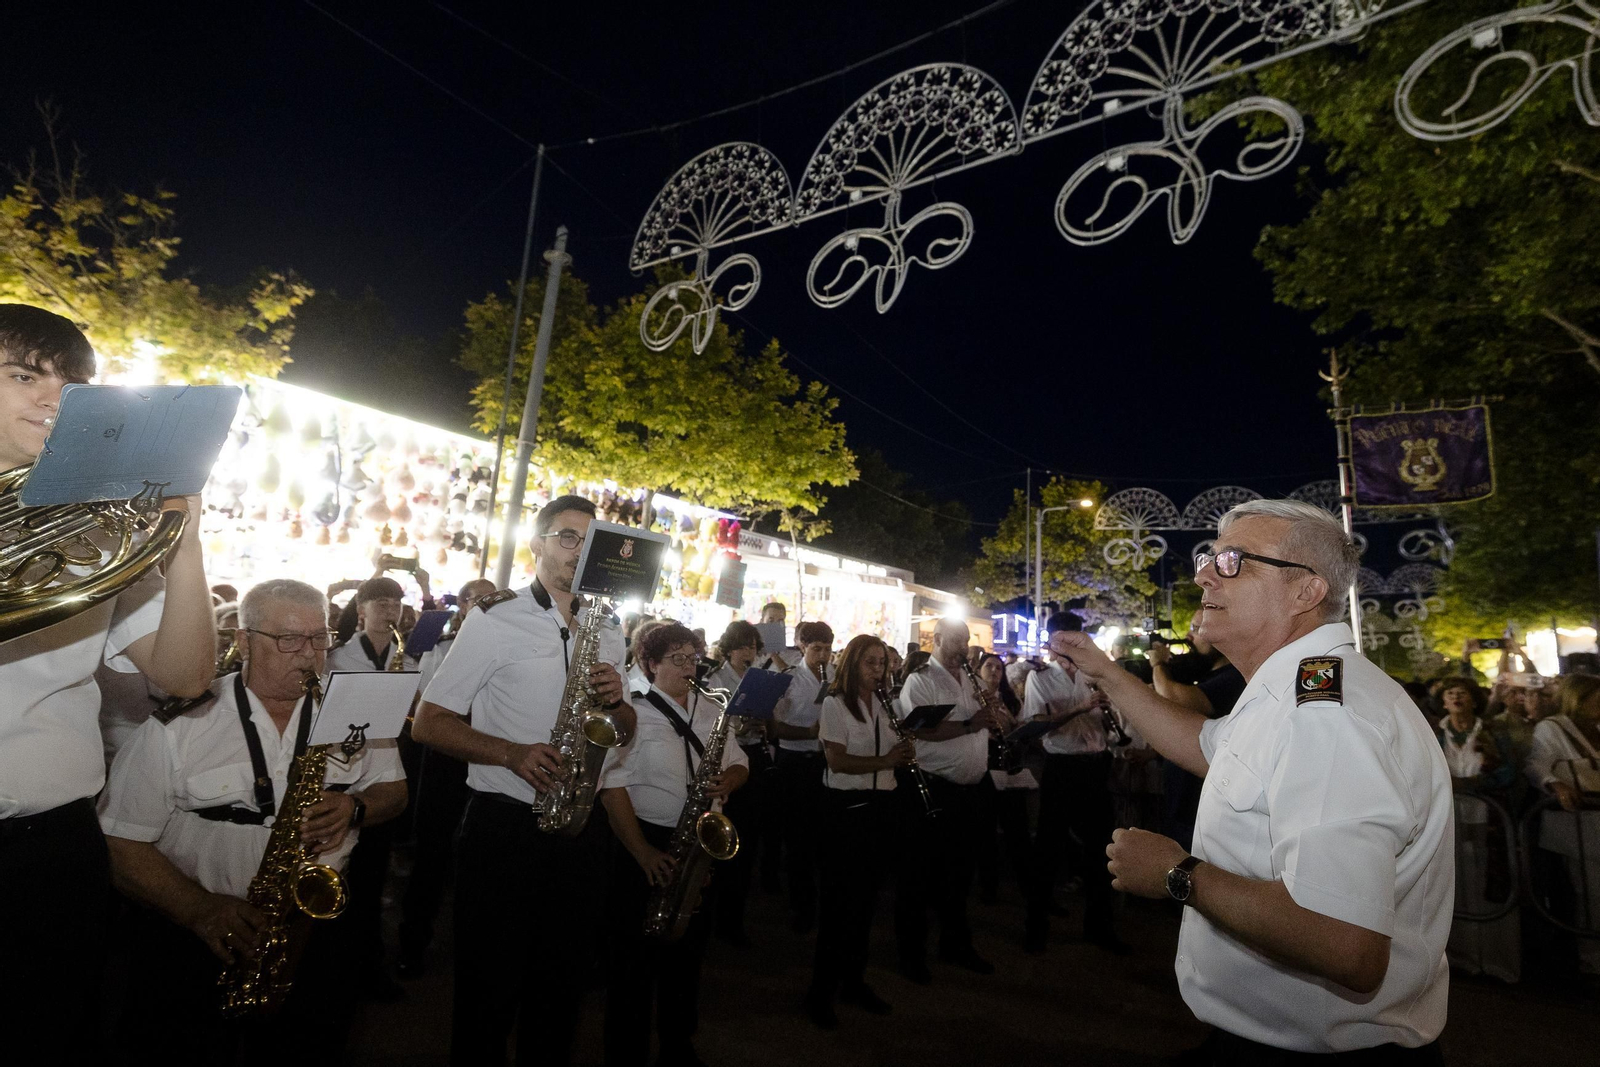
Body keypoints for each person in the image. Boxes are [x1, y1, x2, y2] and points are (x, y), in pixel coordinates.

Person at [1052, 499, 1453, 1061]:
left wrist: (1175, 872)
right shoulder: (1294, 687)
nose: (1203, 574)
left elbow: (1346, 945)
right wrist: (1108, 676)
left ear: (1305, 592)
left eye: (1234, 560)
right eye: (1210, 557)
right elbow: (1207, 747)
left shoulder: (1327, 715)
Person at [0, 305, 216, 1055]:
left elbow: (186, 674)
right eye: (25, 375)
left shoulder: (96, 532)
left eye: (72, 386)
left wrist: (183, 535)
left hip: (51, 851)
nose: (53, 400)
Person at [99, 579, 407, 1061]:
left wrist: (356, 807)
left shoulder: (354, 712)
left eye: (318, 638)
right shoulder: (177, 726)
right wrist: (200, 910)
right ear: (243, 642)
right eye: (288, 640)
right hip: (196, 935)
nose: (308, 655)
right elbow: (119, 844)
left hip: (313, 931)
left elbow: (395, 791)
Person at [412, 494, 631, 1066]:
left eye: (588, 542)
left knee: (561, 996)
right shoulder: (494, 618)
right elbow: (428, 723)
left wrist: (617, 703)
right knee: (487, 996)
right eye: (566, 537)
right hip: (503, 831)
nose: (577, 551)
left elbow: (626, 722)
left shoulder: (608, 629)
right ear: (535, 543)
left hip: (580, 828)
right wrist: (510, 752)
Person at [600, 622, 749, 1067]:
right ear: (650, 663)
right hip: (645, 839)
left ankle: (677, 1043)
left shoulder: (710, 707)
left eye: (694, 658)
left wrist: (731, 779)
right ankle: (626, 1050)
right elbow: (611, 785)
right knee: (633, 959)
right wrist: (643, 852)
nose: (689, 667)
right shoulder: (634, 711)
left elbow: (740, 760)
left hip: (698, 840)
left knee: (688, 955)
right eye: (678, 659)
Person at [805, 634, 914, 1029]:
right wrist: (885, 759)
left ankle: (854, 982)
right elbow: (836, 761)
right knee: (838, 908)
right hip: (845, 812)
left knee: (866, 904)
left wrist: (902, 754)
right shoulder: (835, 704)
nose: (878, 670)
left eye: (882, 663)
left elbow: (889, 757)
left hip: (881, 809)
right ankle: (820, 993)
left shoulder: (886, 704)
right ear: (852, 664)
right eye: (870, 662)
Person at [895, 617, 1006, 980]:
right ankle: (912, 955)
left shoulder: (970, 679)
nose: (963, 647)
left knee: (960, 874)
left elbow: (978, 724)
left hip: (972, 790)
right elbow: (920, 732)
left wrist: (990, 715)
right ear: (938, 639)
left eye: (965, 640)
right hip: (935, 788)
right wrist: (972, 724)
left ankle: (956, 944)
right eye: (956, 640)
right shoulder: (921, 679)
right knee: (921, 875)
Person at [397, 576, 496, 978]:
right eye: (479, 600)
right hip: (445, 757)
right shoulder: (439, 648)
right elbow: (422, 704)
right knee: (432, 853)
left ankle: (473, 947)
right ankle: (412, 942)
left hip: (488, 756)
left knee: (479, 858)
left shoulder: (504, 649)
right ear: (465, 605)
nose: (487, 607)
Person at [1022, 611, 1127, 956]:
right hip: (1061, 769)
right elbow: (1037, 725)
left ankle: (1100, 927)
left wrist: (1111, 719)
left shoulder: (1093, 674)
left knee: (1102, 852)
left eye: (1074, 639)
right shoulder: (1040, 678)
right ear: (1052, 642)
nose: (1069, 647)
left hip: (1095, 767)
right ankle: (1035, 927)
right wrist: (1080, 707)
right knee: (1047, 851)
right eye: (1062, 641)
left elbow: (1111, 726)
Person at [1432, 678, 1519, 982]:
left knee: (1489, 882)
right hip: (1449, 819)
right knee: (1458, 881)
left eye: (1462, 693)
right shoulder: (1435, 732)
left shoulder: (1492, 731)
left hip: (1488, 816)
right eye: (1450, 694)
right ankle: (1462, 957)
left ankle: (1497, 959)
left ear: (1473, 700)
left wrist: (1475, 785)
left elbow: (1509, 770)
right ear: (1443, 701)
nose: (1456, 698)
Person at [704, 619, 775, 946]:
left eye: (753, 647)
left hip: (754, 761)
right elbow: (714, 724)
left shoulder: (756, 678)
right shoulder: (716, 679)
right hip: (727, 762)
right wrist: (740, 727)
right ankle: (712, 914)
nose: (749, 652)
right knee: (724, 844)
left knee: (747, 844)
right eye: (743, 646)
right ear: (729, 648)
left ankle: (733, 920)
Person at [1150, 610, 1246, 852]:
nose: (1188, 636)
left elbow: (1180, 699)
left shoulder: (1235, 675)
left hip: (1201, 804)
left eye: (1196, 629)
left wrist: (1158, 664)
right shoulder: (1206, 671)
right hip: (1183, 798)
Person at [1526, 672, 1600, 974]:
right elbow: (1536, 764)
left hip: (1595, 820)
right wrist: (1556, 784)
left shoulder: (1596, 728)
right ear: (1578, 699)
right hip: (1576, 825)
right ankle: (1590, 957)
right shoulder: (1552, 728)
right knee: (1589, 889)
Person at [771, 620, 834, 933]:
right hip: (794, 762)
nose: (822, 656)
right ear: (802, 648)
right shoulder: (789, 679)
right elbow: (776, 728)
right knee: (798, 836)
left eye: (827, 649)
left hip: (824, 761)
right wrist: (807, 732)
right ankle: (801, 904)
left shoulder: (835, 678)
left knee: (823, 835)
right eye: (816, 649)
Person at [975, 652, 1034, 905]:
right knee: (985, 831)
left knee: (1017, 829)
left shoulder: (1010, 699)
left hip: (1008, 763)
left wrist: (1010, 722)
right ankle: (988, 886)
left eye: (998, 667)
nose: (994, 671)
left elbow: (1020, 728)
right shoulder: (972, 698)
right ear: (979, 670)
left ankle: (1025, 886)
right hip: (984, 763)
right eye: (988, 666)